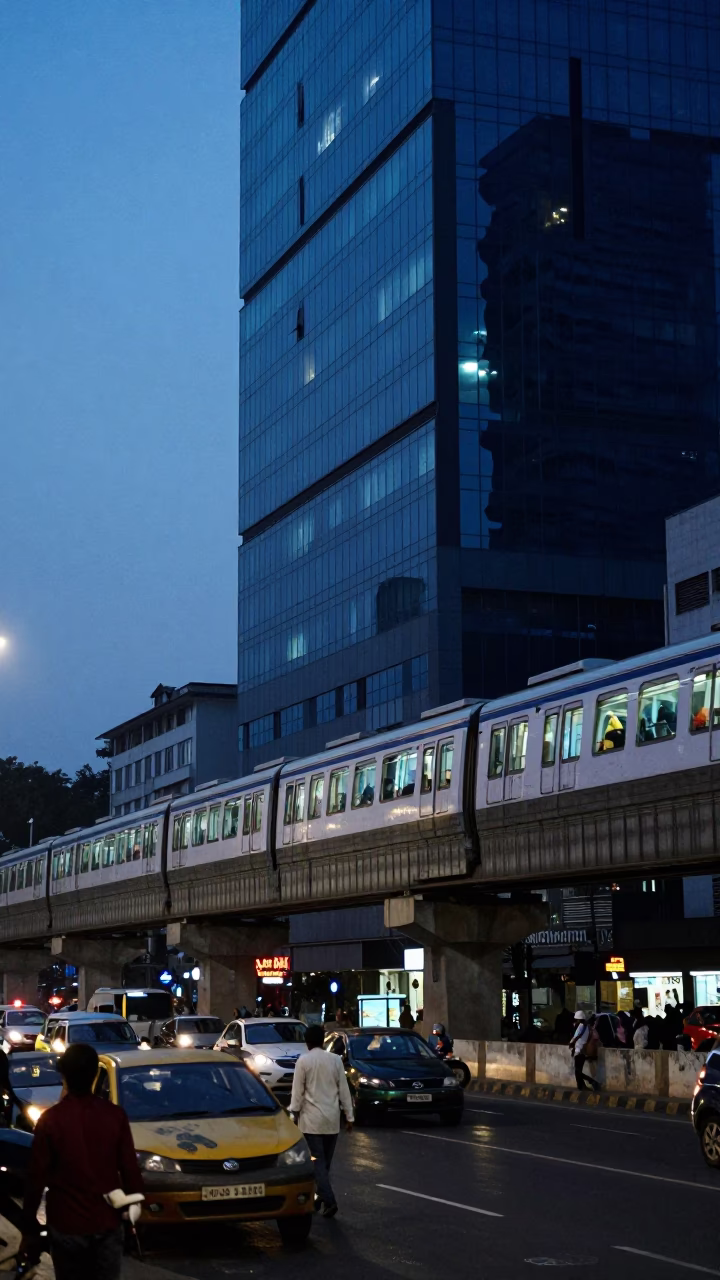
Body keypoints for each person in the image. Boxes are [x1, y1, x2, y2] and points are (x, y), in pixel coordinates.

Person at [21, 1042, 144, 1280]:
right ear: (95, 1075)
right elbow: (130, 1172)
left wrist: (29, 1228)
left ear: (64, 1075)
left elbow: (36, 1178)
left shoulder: (50, 1121)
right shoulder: (115, 1116)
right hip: (106, 1224)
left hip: (66, 1225)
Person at [289, 1023, 353, 1218]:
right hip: (331, 1123)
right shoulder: (335, 1060)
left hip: (311, 1123)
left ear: (307, 1042)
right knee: (324, 1165)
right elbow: (344, 1090)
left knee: (317, 1163)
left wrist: (293, 1115)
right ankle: (318, 1199)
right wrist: (349, 1116)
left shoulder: (304, 1061)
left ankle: (329, 1200)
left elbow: (297, 1094)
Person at [569, 1011, 600, 1092]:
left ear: (579, 1019)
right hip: (581, 1049)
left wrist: (572, 1043)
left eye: (576, 1020)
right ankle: (581, 1086)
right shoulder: (586, 1026)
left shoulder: (581, 1026)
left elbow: (577, 1036)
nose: (575, 1021)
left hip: (579, 1050)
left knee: (577, 1071)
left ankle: (591, 1081)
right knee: (578, 1070)